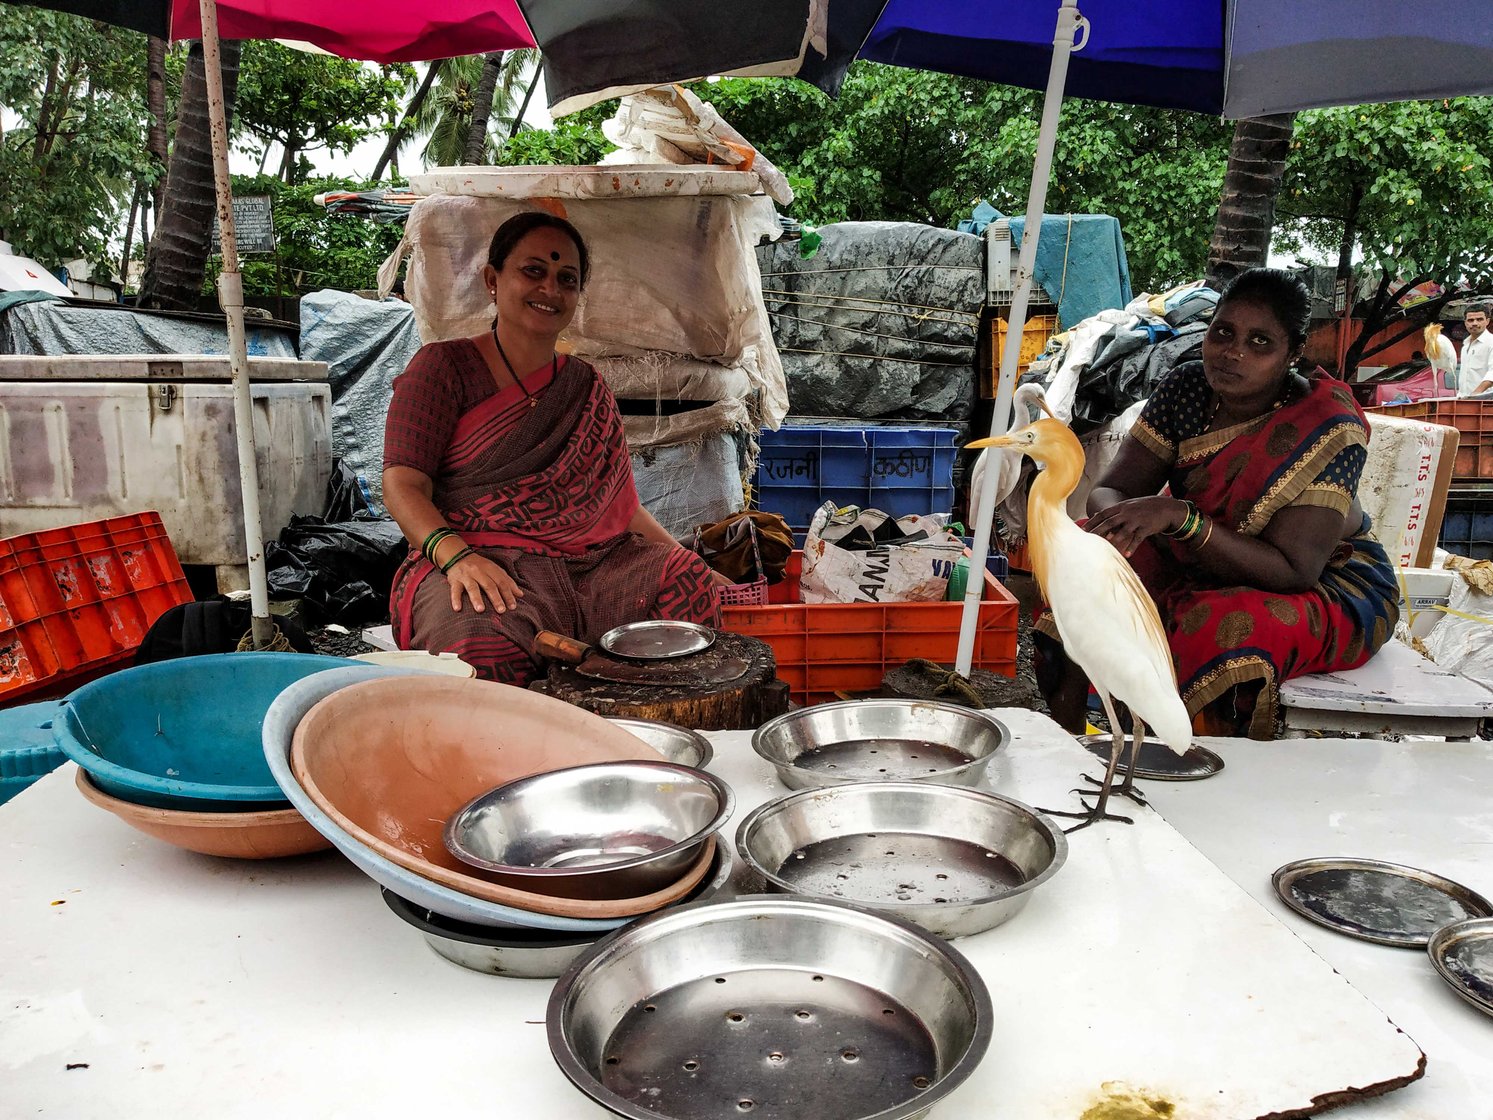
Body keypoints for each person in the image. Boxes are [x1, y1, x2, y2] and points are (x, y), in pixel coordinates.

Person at [1036, 267, 1399, 739]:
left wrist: (1178, 518)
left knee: (1224, 625)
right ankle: (1067, 748)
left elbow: (1294, 570)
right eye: (1223, 332)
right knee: (1078, 567)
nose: (1233, 353)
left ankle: (1201, 762)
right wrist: (1118, 524)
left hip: (1326, 582)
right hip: (1198, 552)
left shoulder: (1327, 426)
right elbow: (1113, 489)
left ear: (1294, 352)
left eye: (1260, 343)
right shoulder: (1189, 388)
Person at [382, 211, 721, 685]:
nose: (550, 290)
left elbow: (623, 509)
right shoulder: (441, 369)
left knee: (685, 581)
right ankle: (504, 757)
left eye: (567, 279)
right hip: (486, 561)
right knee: (474, 639)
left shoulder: (586, 386)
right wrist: (457, 558)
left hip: (593, 568)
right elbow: (403, 483)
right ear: (492, 279)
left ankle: (646, 742)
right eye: (533, 271)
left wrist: (702, 568)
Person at [1459, 302, 1491, 396]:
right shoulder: (1465, 345)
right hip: (1466, 402)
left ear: (1487, 321)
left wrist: (1475, 394)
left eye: (1479, 319)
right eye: (1470, 320)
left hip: (1486, 402)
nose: (1475, 323)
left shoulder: (1491, 342)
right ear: (1465, 323)